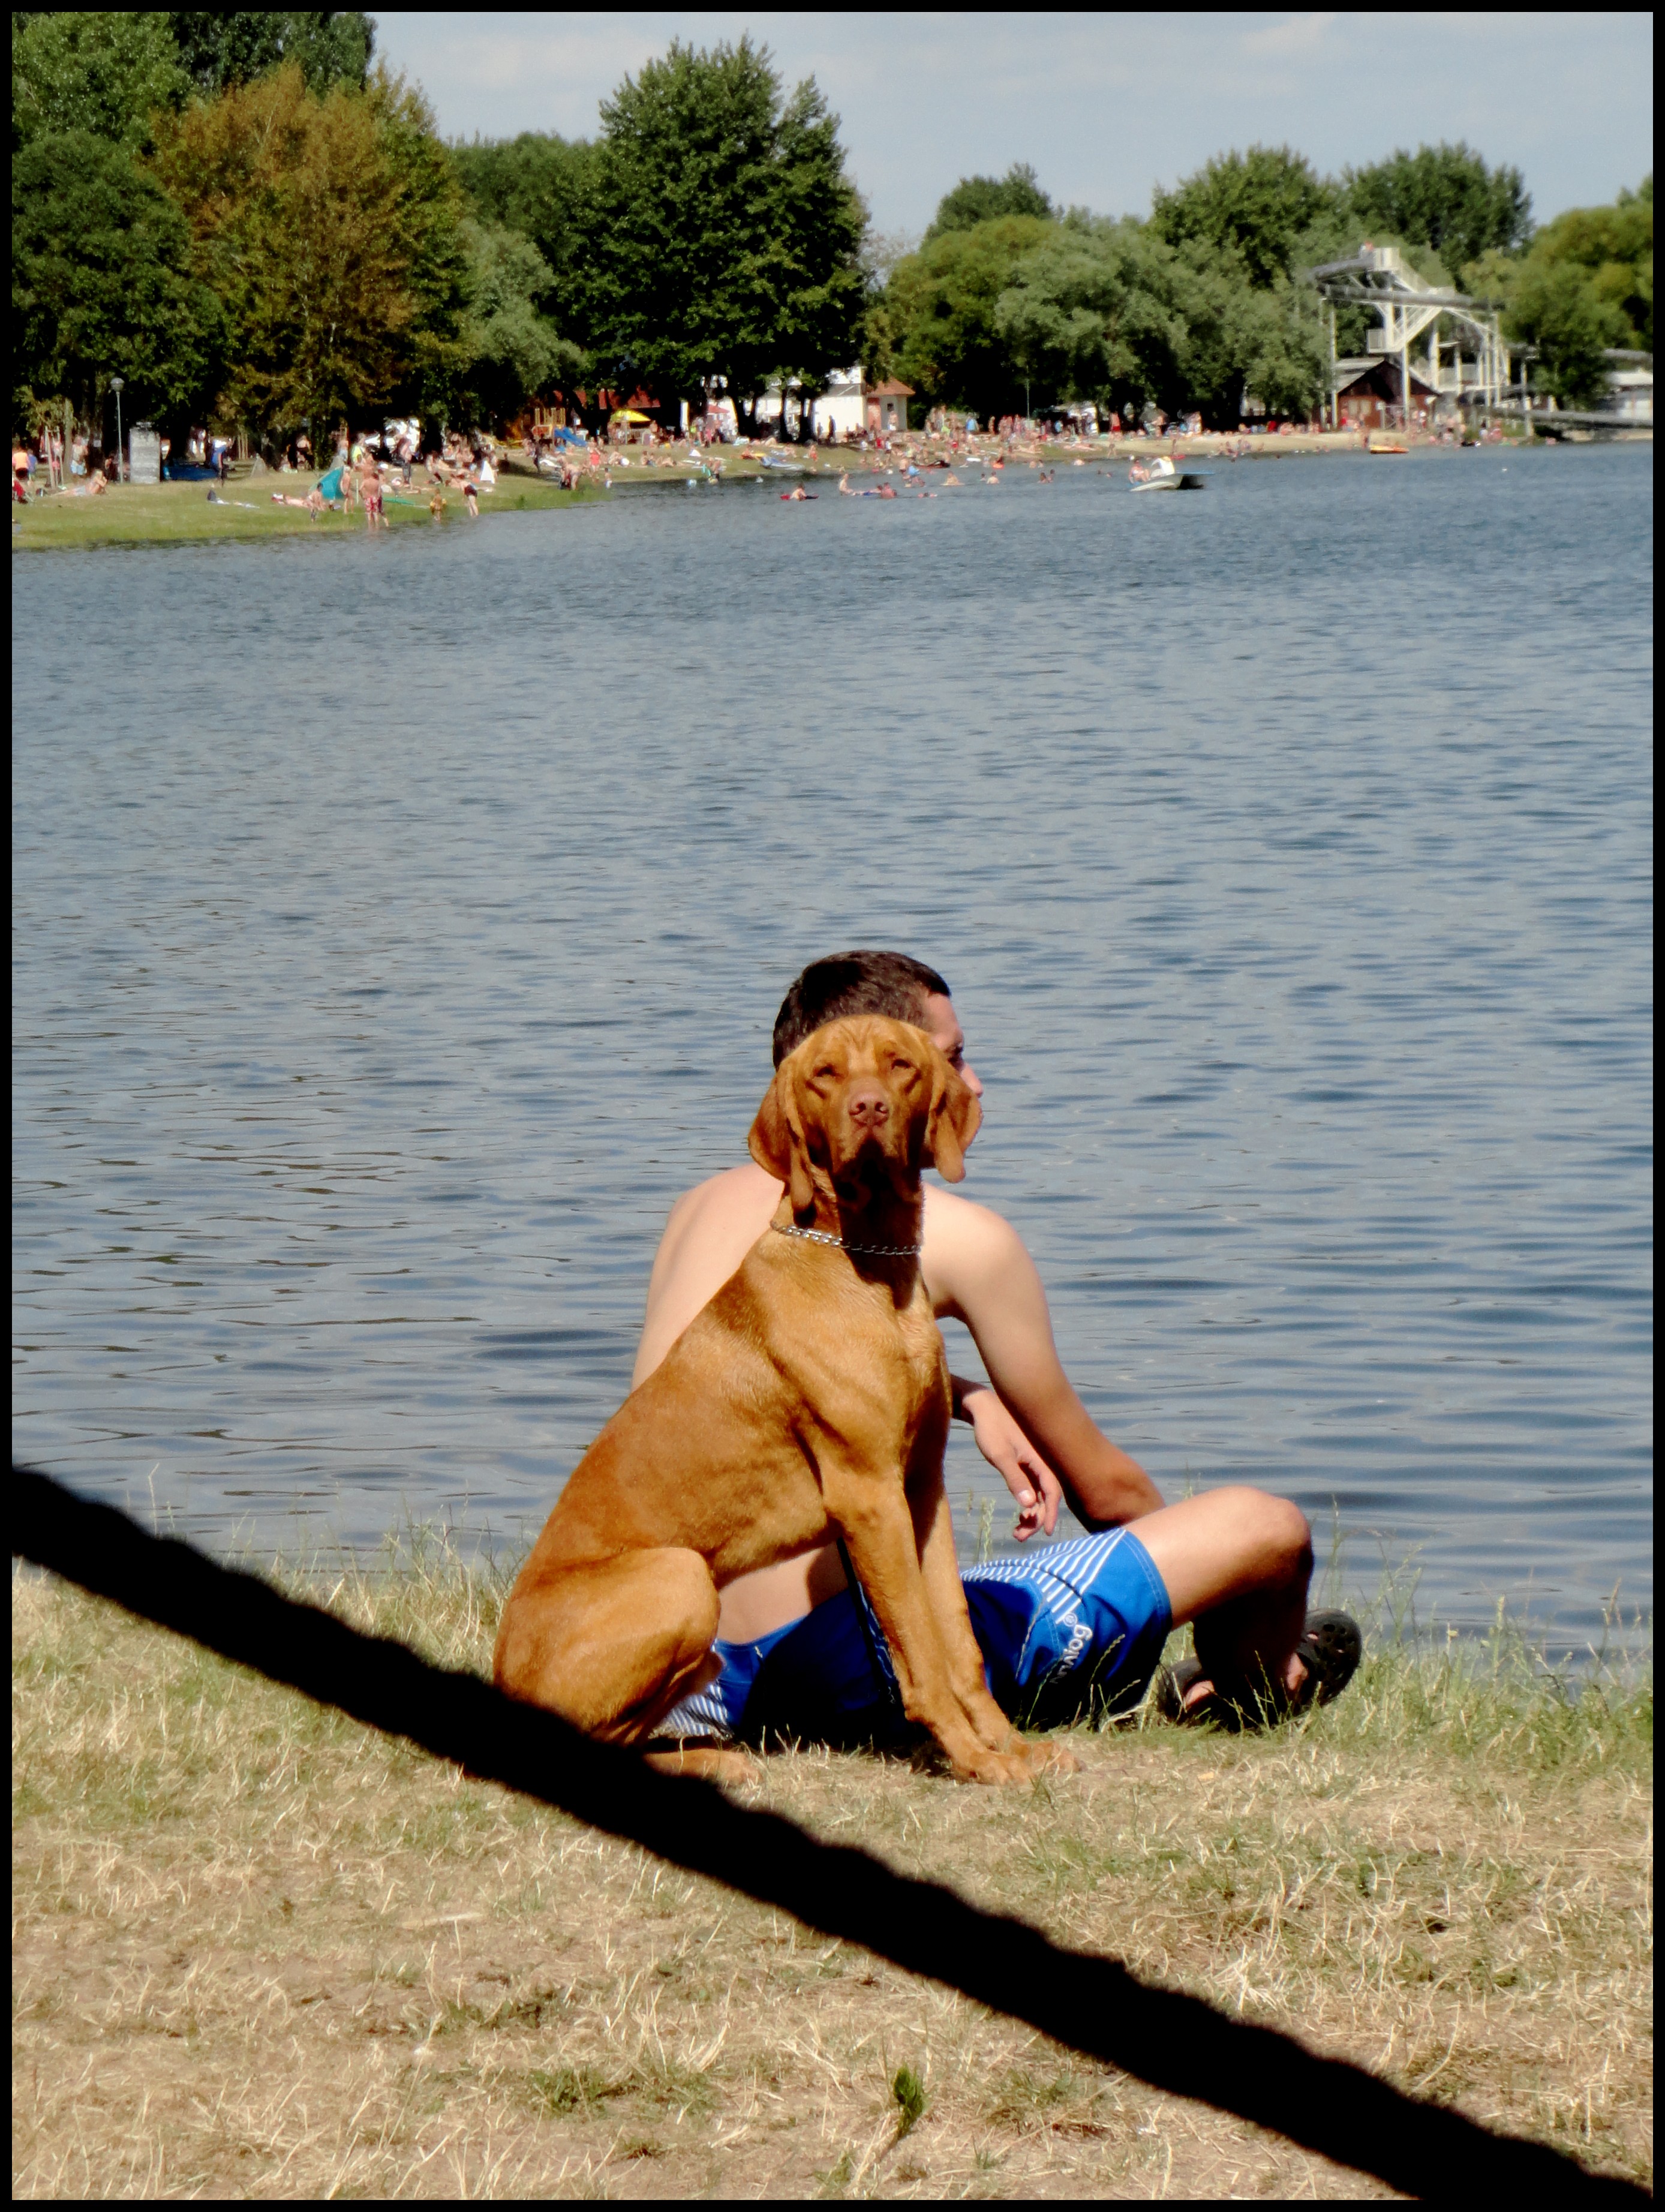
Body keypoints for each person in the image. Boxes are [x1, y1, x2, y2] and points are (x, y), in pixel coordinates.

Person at [641, 950, 1360, 1754]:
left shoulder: (697, 1210)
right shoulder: (960, 1240)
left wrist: (965, 1393)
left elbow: (770, 1383)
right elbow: (1109, 1492)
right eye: (951, 1060)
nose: (974, 1085)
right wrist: (1202, 1579)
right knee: (1268, 1530)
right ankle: (1250, 1687)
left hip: (689, 1673)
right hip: (841, 1674)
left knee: (966, 1577)